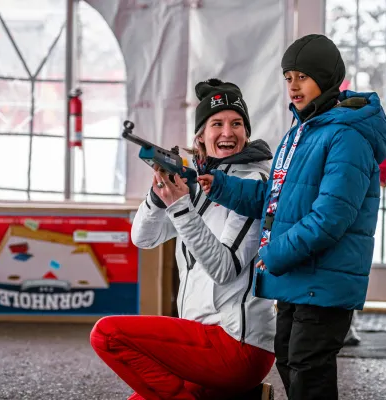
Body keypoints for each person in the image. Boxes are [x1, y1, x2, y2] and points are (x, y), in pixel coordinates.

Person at [198, 34, 386, 400]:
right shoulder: (301, 131)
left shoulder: (346, 137)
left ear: (326, 77)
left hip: (322, 279)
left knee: (307, 367)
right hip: (297, 275)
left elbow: (331, 216)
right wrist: (219, 185)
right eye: (288, 78)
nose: (293, 86)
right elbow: (275, 198)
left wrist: (272, 254)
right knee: (289, 359)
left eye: (302, 76)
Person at [90, 79, 277, 400]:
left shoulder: (254, 182)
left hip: (237, 343)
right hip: (199, 340)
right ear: (200, 137)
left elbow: (225, 269)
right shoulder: (200, 183)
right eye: (216, 124)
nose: (228, 132)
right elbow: (142, 238)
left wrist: (180, 208)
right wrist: (159, 195)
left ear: (247, 133)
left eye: (237, 123)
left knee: (108, 334)